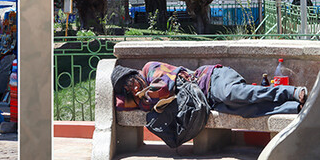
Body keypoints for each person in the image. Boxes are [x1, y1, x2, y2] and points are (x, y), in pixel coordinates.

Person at [112, 62, 308, 118]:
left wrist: (143, 95)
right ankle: (292, 107)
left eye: (132, 82)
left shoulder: (150, 69)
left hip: (212, 78)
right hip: (206, 100)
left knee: (234, 95)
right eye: (129, 89)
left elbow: (164, 87)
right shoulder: (143, 101)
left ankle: (290, 92)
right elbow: (119, 105)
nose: (135, 87)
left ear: (134, 75)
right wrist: (129, 99)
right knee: (244, 111)